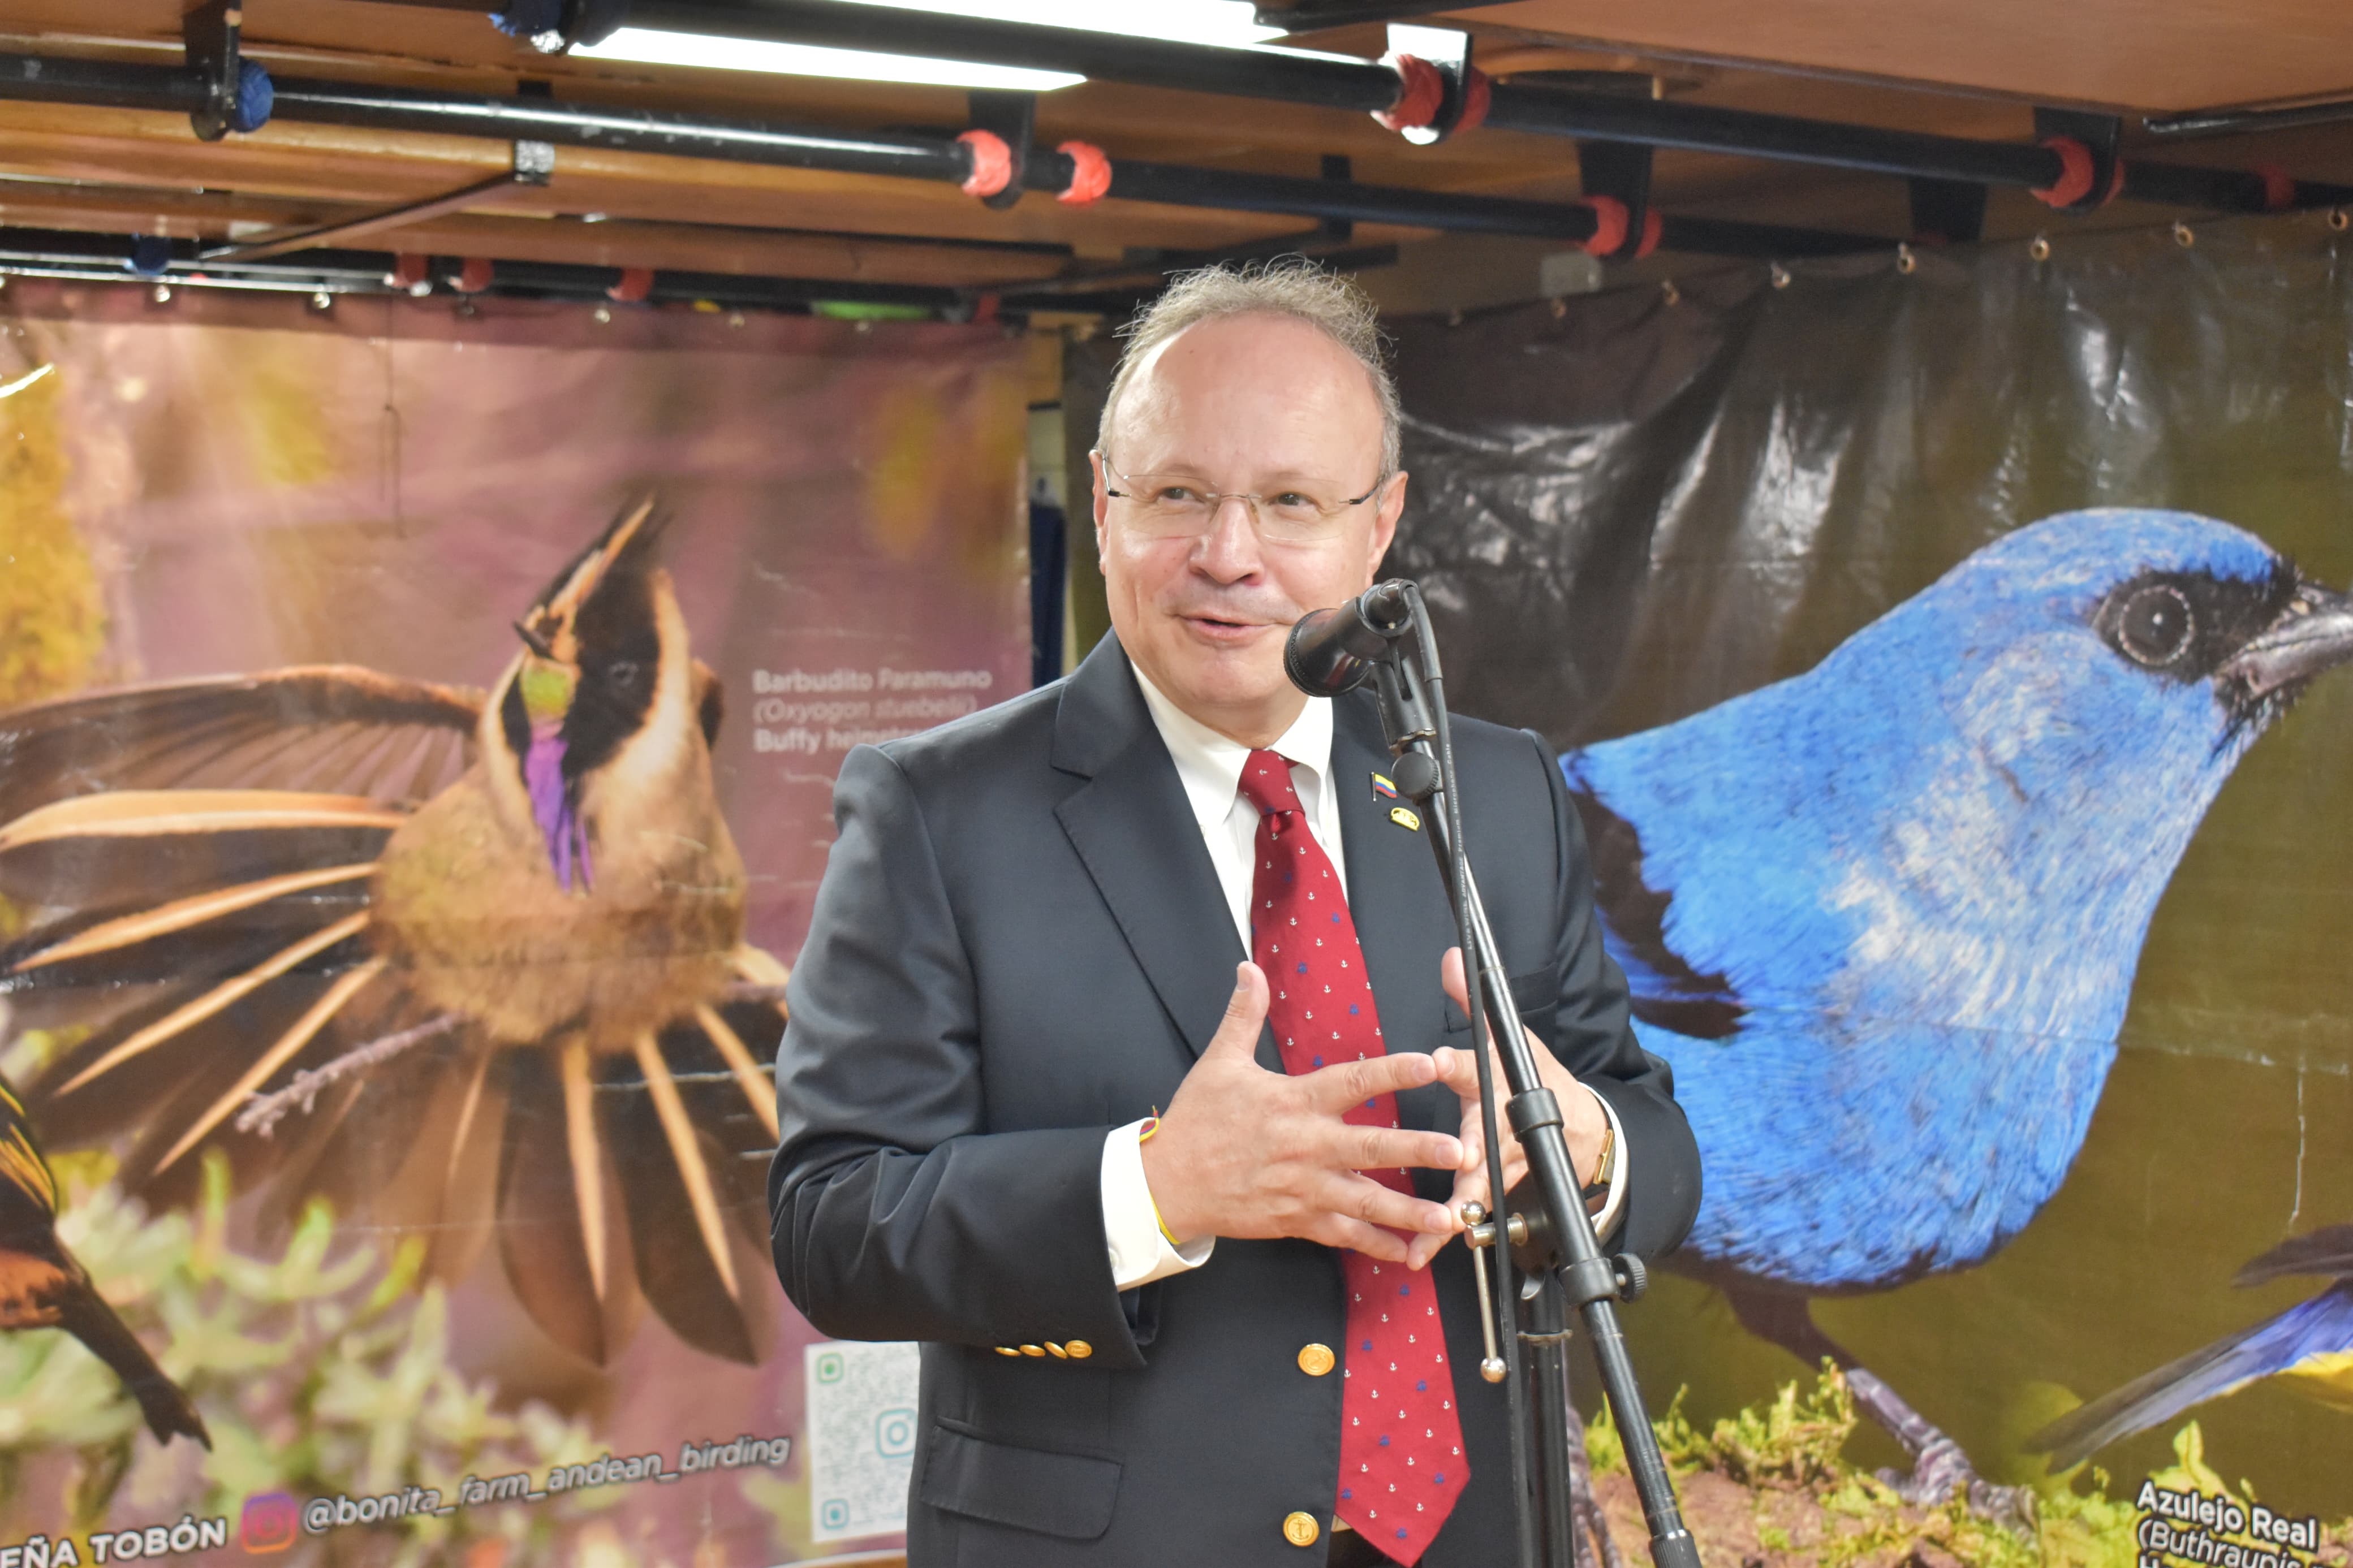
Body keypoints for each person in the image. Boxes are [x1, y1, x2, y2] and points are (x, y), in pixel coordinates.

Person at [768, 260, 1700, 1568]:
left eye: (1289, 503)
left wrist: (1580, 1143)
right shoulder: (939, 810)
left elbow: (1655, 1138)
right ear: (1101, 502)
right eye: (1178, 496)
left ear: (1380, 528)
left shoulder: (1489, 789)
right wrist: (1152, 1185)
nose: (1227, 555)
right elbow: (832, 1221)